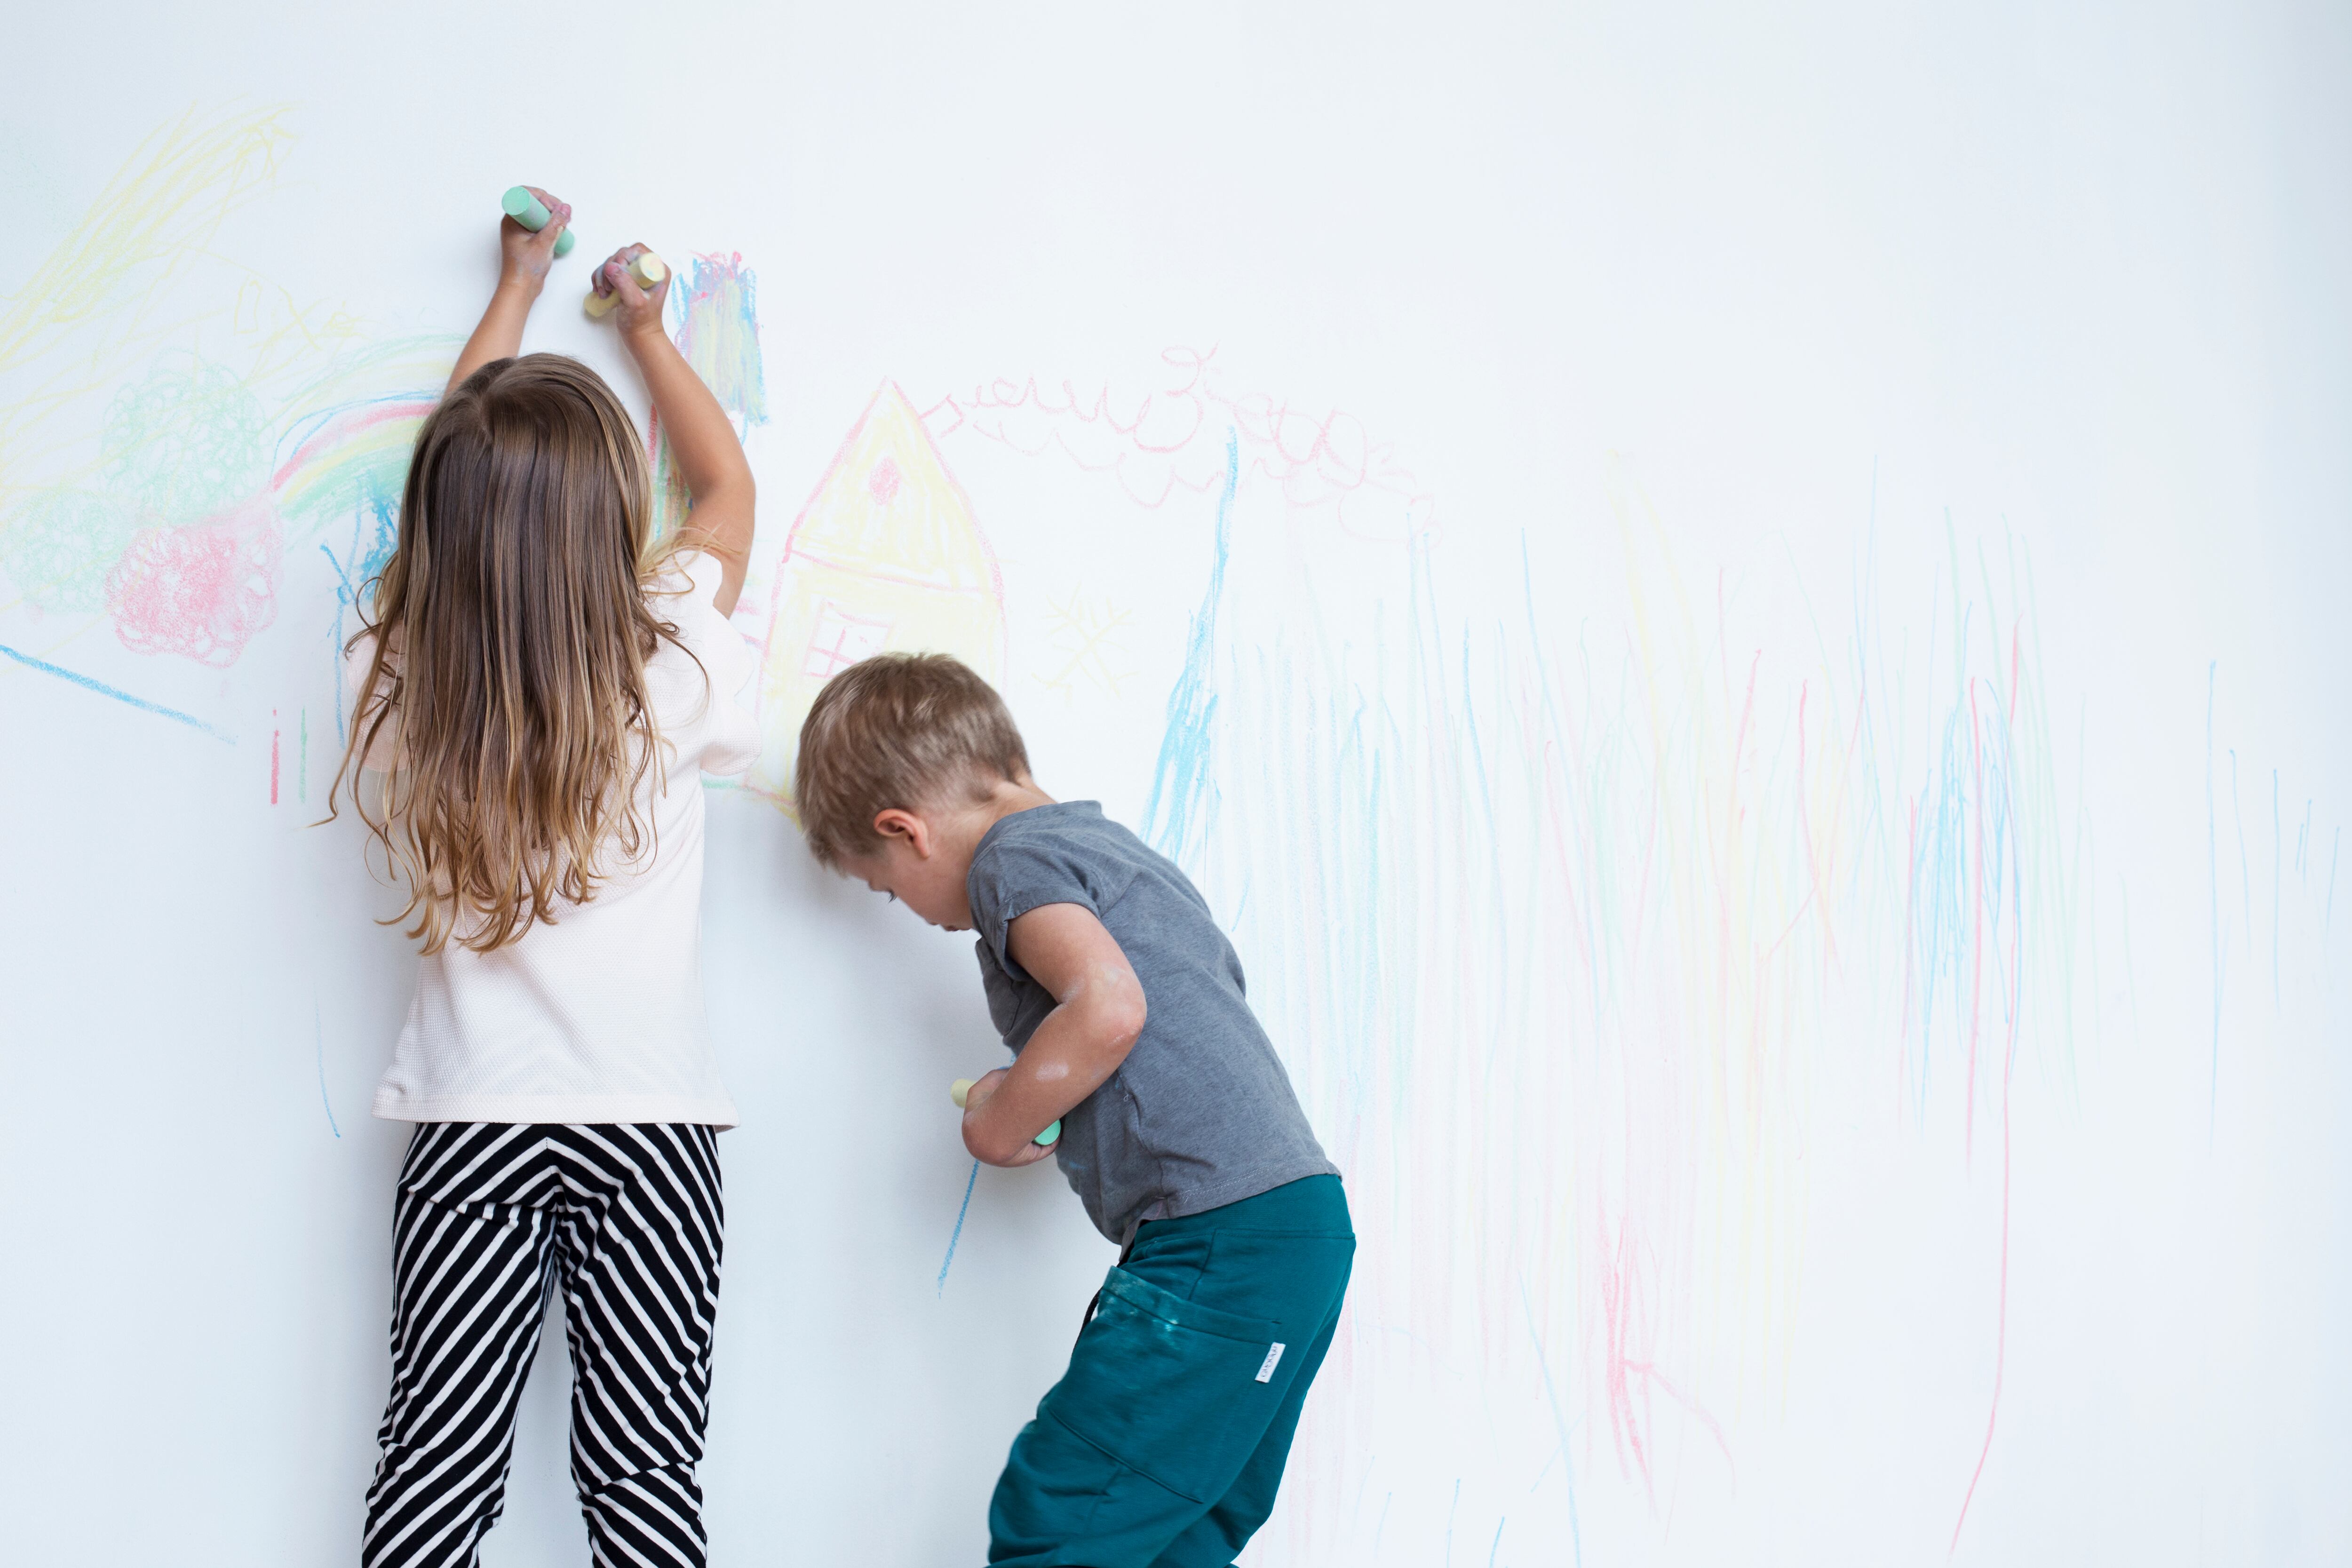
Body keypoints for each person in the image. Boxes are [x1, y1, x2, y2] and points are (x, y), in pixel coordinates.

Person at [328, 186, 757, 1568]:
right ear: (608, 524)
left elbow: (433, 513)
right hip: (652, 1133)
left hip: (472, 1131)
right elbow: (729, 494)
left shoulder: (400, 683)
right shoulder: (672, 662)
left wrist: (513, 292)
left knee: (435, 1477)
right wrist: (640, 325)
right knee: (645, 1485)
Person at [795, 653, 1353, 1568]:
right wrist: (1042, 1092)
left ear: (906, 830)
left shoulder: (1011, 863)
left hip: (1215, 1235)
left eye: (886, 886)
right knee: (1177, 1528)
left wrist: (997, 1118)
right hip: (1294, 1226)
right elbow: (1171, 1021)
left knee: (1067, 1514)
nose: (909, 910)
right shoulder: (1115, 854)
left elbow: (1109, 1006)